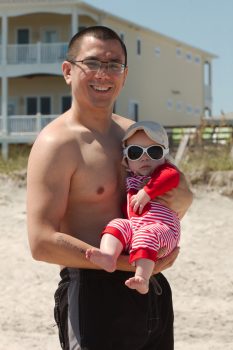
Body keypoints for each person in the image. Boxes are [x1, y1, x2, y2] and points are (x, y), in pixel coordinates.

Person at [27, 25, 193, 350]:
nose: (104, 74)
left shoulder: (137, 136)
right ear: (68, 71)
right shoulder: (57, 144)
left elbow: (176, 198)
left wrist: (163, 244)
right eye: (92, 63)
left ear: (125, 75)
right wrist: (126, 263)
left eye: (114, 65)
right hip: (93, 293)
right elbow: (41, 242)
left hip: (152, 288)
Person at [86, 121, 181, 294]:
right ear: (126, 160)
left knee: (147, 233)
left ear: (164, 155)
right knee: (117, 224)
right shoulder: (131, 179)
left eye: (154, 151)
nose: (145, 157)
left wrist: (147, 192)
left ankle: (142, 278)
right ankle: (109, 256)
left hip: (164, 230)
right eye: (135, 152)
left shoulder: (163, 172)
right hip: (137, 229)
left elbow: (171, 176)